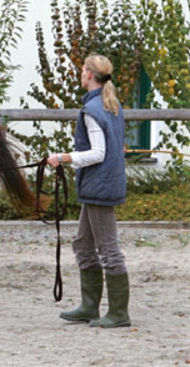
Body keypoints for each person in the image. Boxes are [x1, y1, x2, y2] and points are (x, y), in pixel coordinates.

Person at [47, 53, 131, 328]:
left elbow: (97, 153)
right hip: (99, 184)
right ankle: (89, 307)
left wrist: (63, 157)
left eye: (82, 70)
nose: (80, 74)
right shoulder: (110, 104)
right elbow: (113, 147)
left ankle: (119, 313)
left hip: (100, 186)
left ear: (89, 76)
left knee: (109, 249)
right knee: (83, 245)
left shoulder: (93, 110)